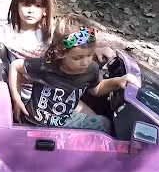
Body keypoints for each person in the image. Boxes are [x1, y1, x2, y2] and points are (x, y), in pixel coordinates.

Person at [8, 14, 139, 133]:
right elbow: (16, 66)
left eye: (89, 55)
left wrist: (118, 81)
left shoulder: (91, 69)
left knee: (105, 125)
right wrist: (16, 98)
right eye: (77, 58)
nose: (85, 62)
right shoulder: (46, 65)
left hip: (65, 123)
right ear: (61, 54)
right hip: (32, 123)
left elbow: (97, 89)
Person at [0, 0, 116, 78]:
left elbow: (79, 42)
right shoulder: (8, 32)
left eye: (37, 6)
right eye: (25, 5)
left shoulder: (52, 29)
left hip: (57, 85)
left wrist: (98, 50)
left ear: (46, 10)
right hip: (26, 90)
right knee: (101, 122)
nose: (31, 11)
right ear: (16, 6)